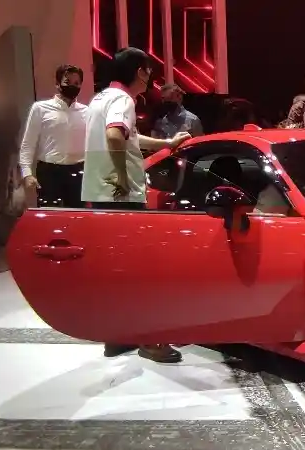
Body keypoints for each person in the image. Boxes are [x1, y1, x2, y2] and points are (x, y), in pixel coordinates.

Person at [81, 47, 192, 362]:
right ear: (140, 71)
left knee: (116, 270)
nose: (150, 77)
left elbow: (128, 137)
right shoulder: (124, 100)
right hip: (122, 196)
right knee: (138, 270)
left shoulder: (100, 99)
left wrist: (166, 144)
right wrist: (121, 176)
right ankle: (151, 341)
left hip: (100, 195)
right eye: (148, 70)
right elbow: (115, 136)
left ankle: (117, 337)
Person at [19, 65, 88, 208]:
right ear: (57, 84)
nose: (72, 86)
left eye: (76, 83)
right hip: (50, 172)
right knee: (49, 214)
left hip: (79, 172)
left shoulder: (86, 111)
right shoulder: (40, 108)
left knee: (78, 215)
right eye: (67, 82)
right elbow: (28, 143)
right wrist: (27, 173)